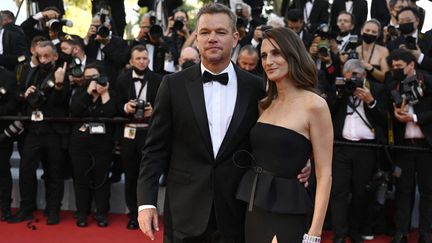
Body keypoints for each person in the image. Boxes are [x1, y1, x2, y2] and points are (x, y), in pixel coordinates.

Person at [137, 3, 310, 242]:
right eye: (205, 32)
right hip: (185, 210)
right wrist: (146, 202)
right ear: (196, 38)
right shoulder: (173, 85)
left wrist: (300, 161)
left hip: (238, 209)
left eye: (220, 32)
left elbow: (274, 136)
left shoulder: (257, 88)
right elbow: (154, 149)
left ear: (235, 37)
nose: (212, 39)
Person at [235, 27, 333, 243]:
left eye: (276, 53)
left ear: (293, 54)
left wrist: (314, 234)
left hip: (288, 208)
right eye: (264, 55)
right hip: (255, 204)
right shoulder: (265, 104)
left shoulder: (315, 105)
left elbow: (325, 174)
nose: (268, 61)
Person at [385, 49, 432, 243]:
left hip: (426, 146)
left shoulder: (428, 81)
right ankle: (401, 231)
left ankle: (425, 232)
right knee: (404, 190)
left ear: (411, 64)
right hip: (404, 146)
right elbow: (388, 118)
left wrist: (413, 117)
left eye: (399, 67)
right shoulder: (393, 86)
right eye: (393, 67)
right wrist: (396, 115)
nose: (396, 70)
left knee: (428, 191)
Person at [116, 45, 162, 230]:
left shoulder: (158, 79)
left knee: (149, 175)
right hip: (128, 133)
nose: (142, 61)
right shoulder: (122, 79)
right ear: (131, 61)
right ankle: (132, 214)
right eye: (138, 58)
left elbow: (165, 106)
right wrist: (126, 108)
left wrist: (154, 111)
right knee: (130, 174)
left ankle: (151, 212)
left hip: (150, 134)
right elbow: (115, 104)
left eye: (145, 58)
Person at [69, 63, 116, 227]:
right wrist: (89, 93)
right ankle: (82, 213)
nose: (91, 80)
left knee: (101, 179)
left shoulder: (109, 92)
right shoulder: (79, 92)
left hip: (102, 144)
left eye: (94, 77)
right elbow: (75, 110)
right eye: (87, 77)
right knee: (81, 179)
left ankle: (101, 213)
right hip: (79, 144)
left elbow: (111, 113)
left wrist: (104, 94)